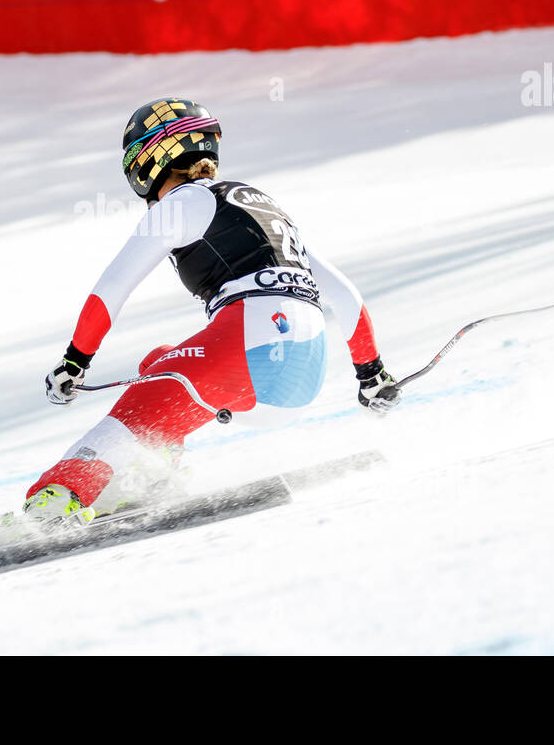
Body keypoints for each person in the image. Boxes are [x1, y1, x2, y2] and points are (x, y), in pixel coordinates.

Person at [26, 98, 401, 529]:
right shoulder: (261, 204)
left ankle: (54, 502)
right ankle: (151, 477)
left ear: (148, 162)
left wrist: (75, 361)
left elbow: (109, 292)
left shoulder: (179, 204)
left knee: (135, 409)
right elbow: (346, 295)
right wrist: (371, 374)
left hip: (252, 349)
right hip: (300, 375)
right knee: (160, 362)